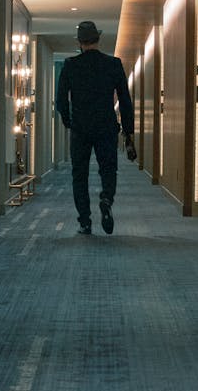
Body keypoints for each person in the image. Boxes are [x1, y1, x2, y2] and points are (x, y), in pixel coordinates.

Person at [56, 20, 137, 235]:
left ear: (80, 42)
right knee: (109, 169)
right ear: (98, 39)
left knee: (79, 174)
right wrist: (128, 131)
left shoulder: (71, 65)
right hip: (106, 126)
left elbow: (61, 99)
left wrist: (68, 120)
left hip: (80, 127)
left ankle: (85, 221)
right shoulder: (113, 64)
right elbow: (125, 100)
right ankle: (106, 198)